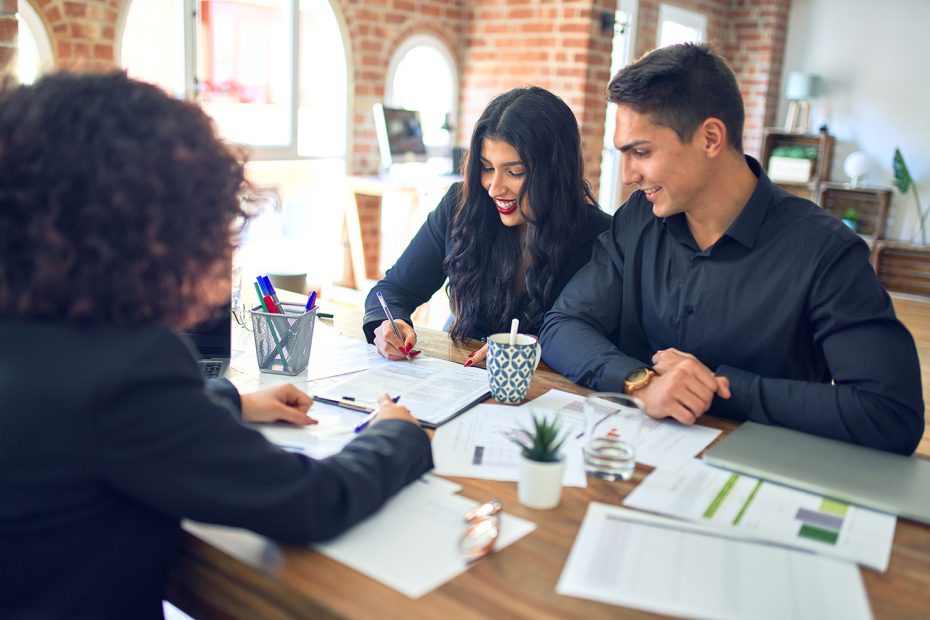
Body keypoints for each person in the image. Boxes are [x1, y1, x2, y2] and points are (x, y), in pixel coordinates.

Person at [0, 72, 433, 619]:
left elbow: (95, 434)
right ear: (150, 234)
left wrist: (233, 400)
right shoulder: (128, 370)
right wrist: (397, 436)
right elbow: (311, 501)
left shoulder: (35, 334)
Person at [540, 43, 924, 454]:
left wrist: (722, 389)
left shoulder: (826, 251)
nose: (630, 174)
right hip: (634, 457)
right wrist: (641, 382)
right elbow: (562, 324)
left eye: (642, 152)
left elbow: (891, 413)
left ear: (710, 137)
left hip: (762, 477)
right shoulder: (638, 219)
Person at [363, 86, 612, 363]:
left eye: (515, 172)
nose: (494, 188)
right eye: (486, 167)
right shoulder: (460, 207)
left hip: (545, 391)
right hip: (461, 377)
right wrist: (389, 323)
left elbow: (602, 341)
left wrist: (539, 347)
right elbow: (393, 289)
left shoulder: (600, 237)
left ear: (555, 172)